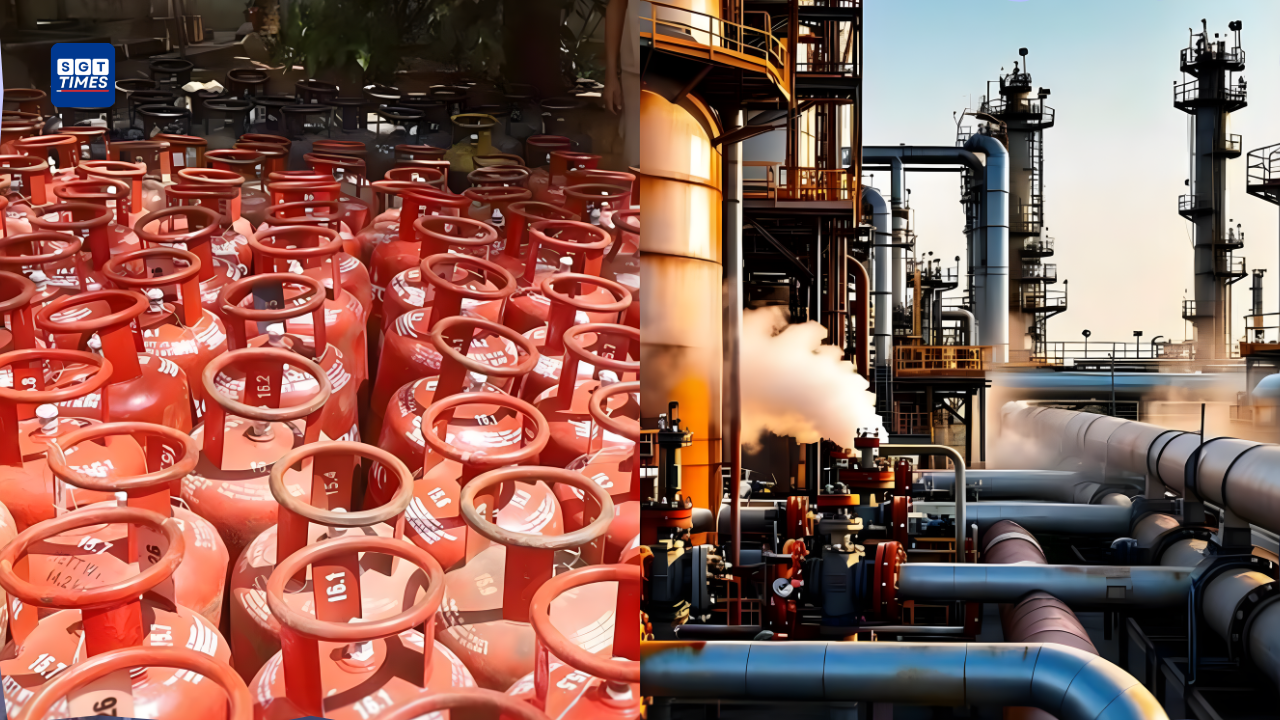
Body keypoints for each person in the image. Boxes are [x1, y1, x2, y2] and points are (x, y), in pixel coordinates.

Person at [603, 0, 640, 169]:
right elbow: (617, 4)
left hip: (692, 65)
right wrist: (611, 74)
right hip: (636, 70)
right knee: (635, 157)